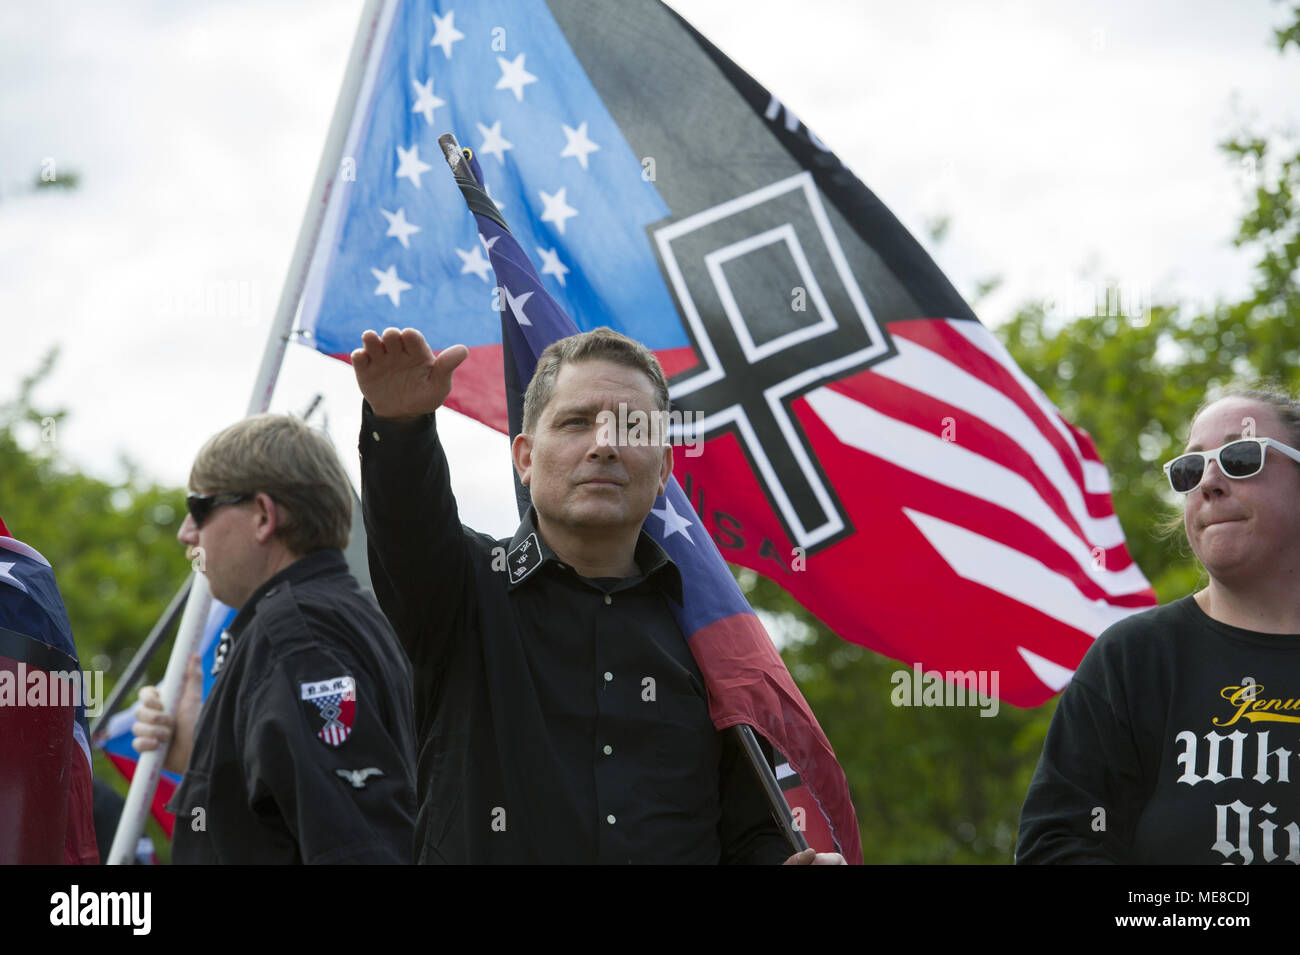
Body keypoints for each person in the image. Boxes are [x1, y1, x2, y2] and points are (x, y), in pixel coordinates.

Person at [353, 325, 844, 864]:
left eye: (632, 427)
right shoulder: (462, 589)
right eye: (576, 422)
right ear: (525, 458)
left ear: (663, 469)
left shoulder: (708, 635)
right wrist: (399, 425)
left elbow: (751, 832)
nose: (605, 445)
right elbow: (407, 526)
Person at [1017, 388, 1300, 864]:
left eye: (1241, 458)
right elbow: (1057, 846)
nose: (1209, 482)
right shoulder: (1133, 659)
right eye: (1191, 469)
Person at [132, 414, 417, 863]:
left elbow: (359, 847)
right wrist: (199, 753)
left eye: (200, 508)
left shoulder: (300, 640)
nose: (186, 532)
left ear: (263, 516)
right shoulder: (347, 618)